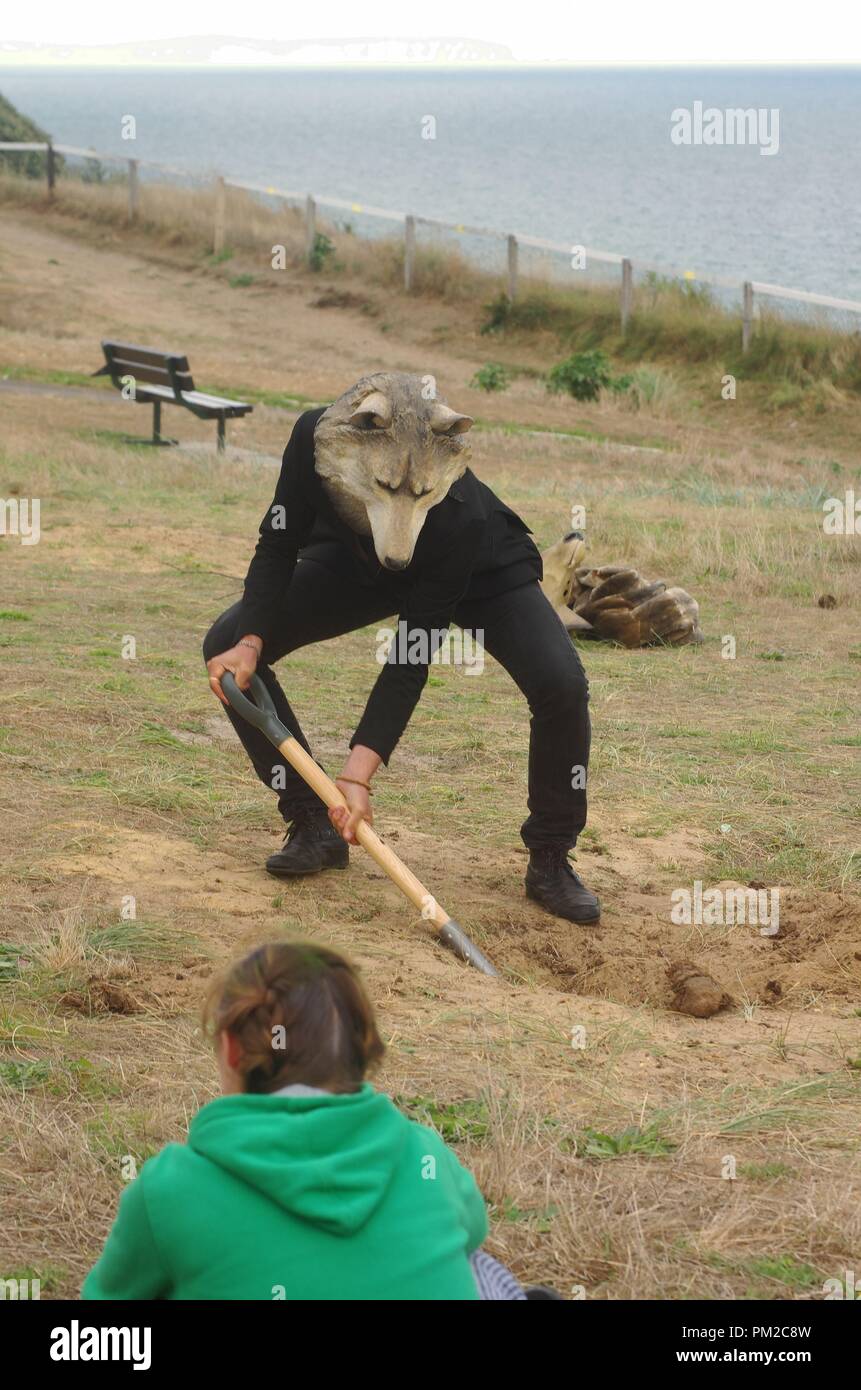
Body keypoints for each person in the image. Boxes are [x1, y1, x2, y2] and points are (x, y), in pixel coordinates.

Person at [204, 399, 600, 924]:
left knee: (562, 685)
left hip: (474, 570)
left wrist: (358, 777)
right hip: (361, 559)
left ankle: (551, 857)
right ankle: (312, 820)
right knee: (226, 646)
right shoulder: (315, 437)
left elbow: (411, 653)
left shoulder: (462, 513)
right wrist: (251, 641)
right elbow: (278, 541)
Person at [82, 941, 493, 1301]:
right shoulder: (427, 1157)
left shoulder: (168, 1188)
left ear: (230, 1049)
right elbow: (472, 1233)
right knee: (480, 1271)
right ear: (363, 1052)